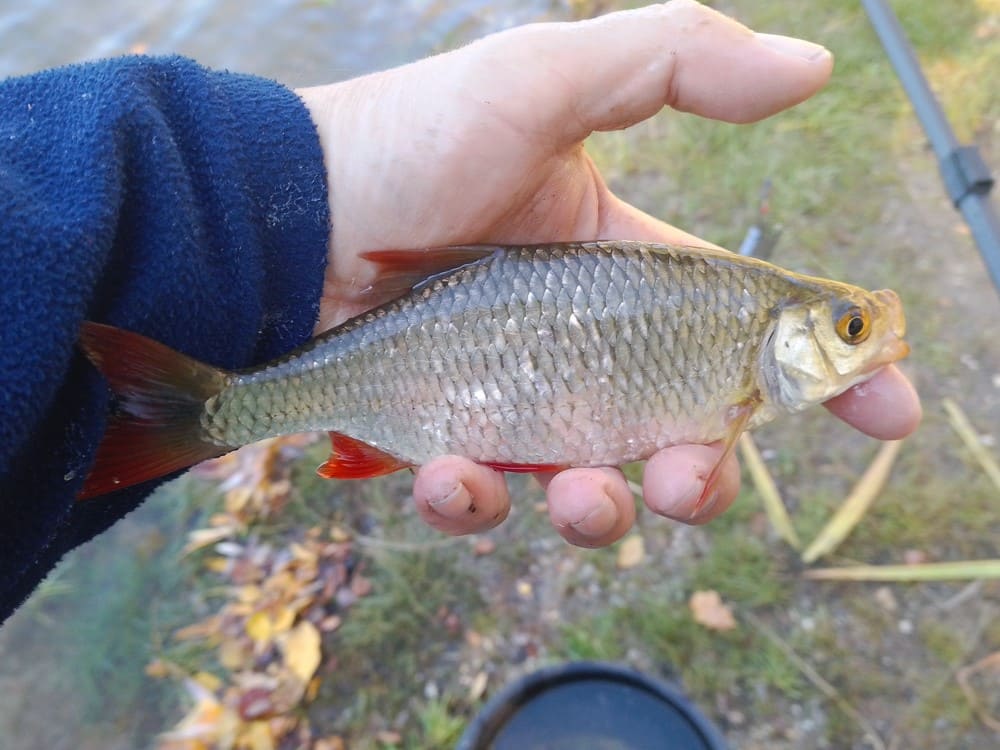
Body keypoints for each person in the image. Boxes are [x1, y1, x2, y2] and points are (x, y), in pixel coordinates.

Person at [0, 0, 920, 622]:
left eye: (854, 329)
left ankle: (194, 413)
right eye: (849, 328)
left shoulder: (731, 321)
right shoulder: (736, 338)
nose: (865, 337)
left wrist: (263, 214)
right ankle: (204, 412)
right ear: (792, 331)